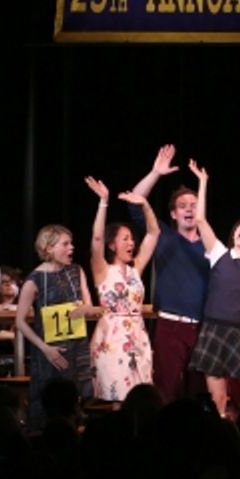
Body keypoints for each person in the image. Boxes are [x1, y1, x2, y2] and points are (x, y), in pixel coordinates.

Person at [185, 160, 240, 416]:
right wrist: (203, 182)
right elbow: (200, 220)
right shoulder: (219, 253)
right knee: (218, 399)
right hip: (214, 329)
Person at [127, 144, 209, 403]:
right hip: (171, 324)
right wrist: (155, 173)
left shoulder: (211, 245)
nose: (189, 209)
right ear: (173, 214)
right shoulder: (163, 236)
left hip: (203, 327)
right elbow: (134, 200)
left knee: (199, 392)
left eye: (194, 205)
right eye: (182, 205)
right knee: (166, 388)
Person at [84, 177, 159, 401]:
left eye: (132, 239)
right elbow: (96, 238)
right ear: (112, 244)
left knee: (141, 397)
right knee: (115, 396)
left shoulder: (136, 268)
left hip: (138, 335)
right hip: (111, 337)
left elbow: (154, 233)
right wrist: (103, 202)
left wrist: (144, 204)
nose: (131, 244)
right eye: (125, 239)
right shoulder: (102, 270)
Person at [15, 224, 95, 431]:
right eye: (65, 244)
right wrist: (45, 349)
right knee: (49, 403)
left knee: (75, 401)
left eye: (71, 243)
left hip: (77, 346)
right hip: (50, 350)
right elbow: (20, 322)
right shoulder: (35, 280)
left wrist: (85, 309)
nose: (72, 248)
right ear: (49, 248)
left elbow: (89, 305)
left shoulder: (76, 271)